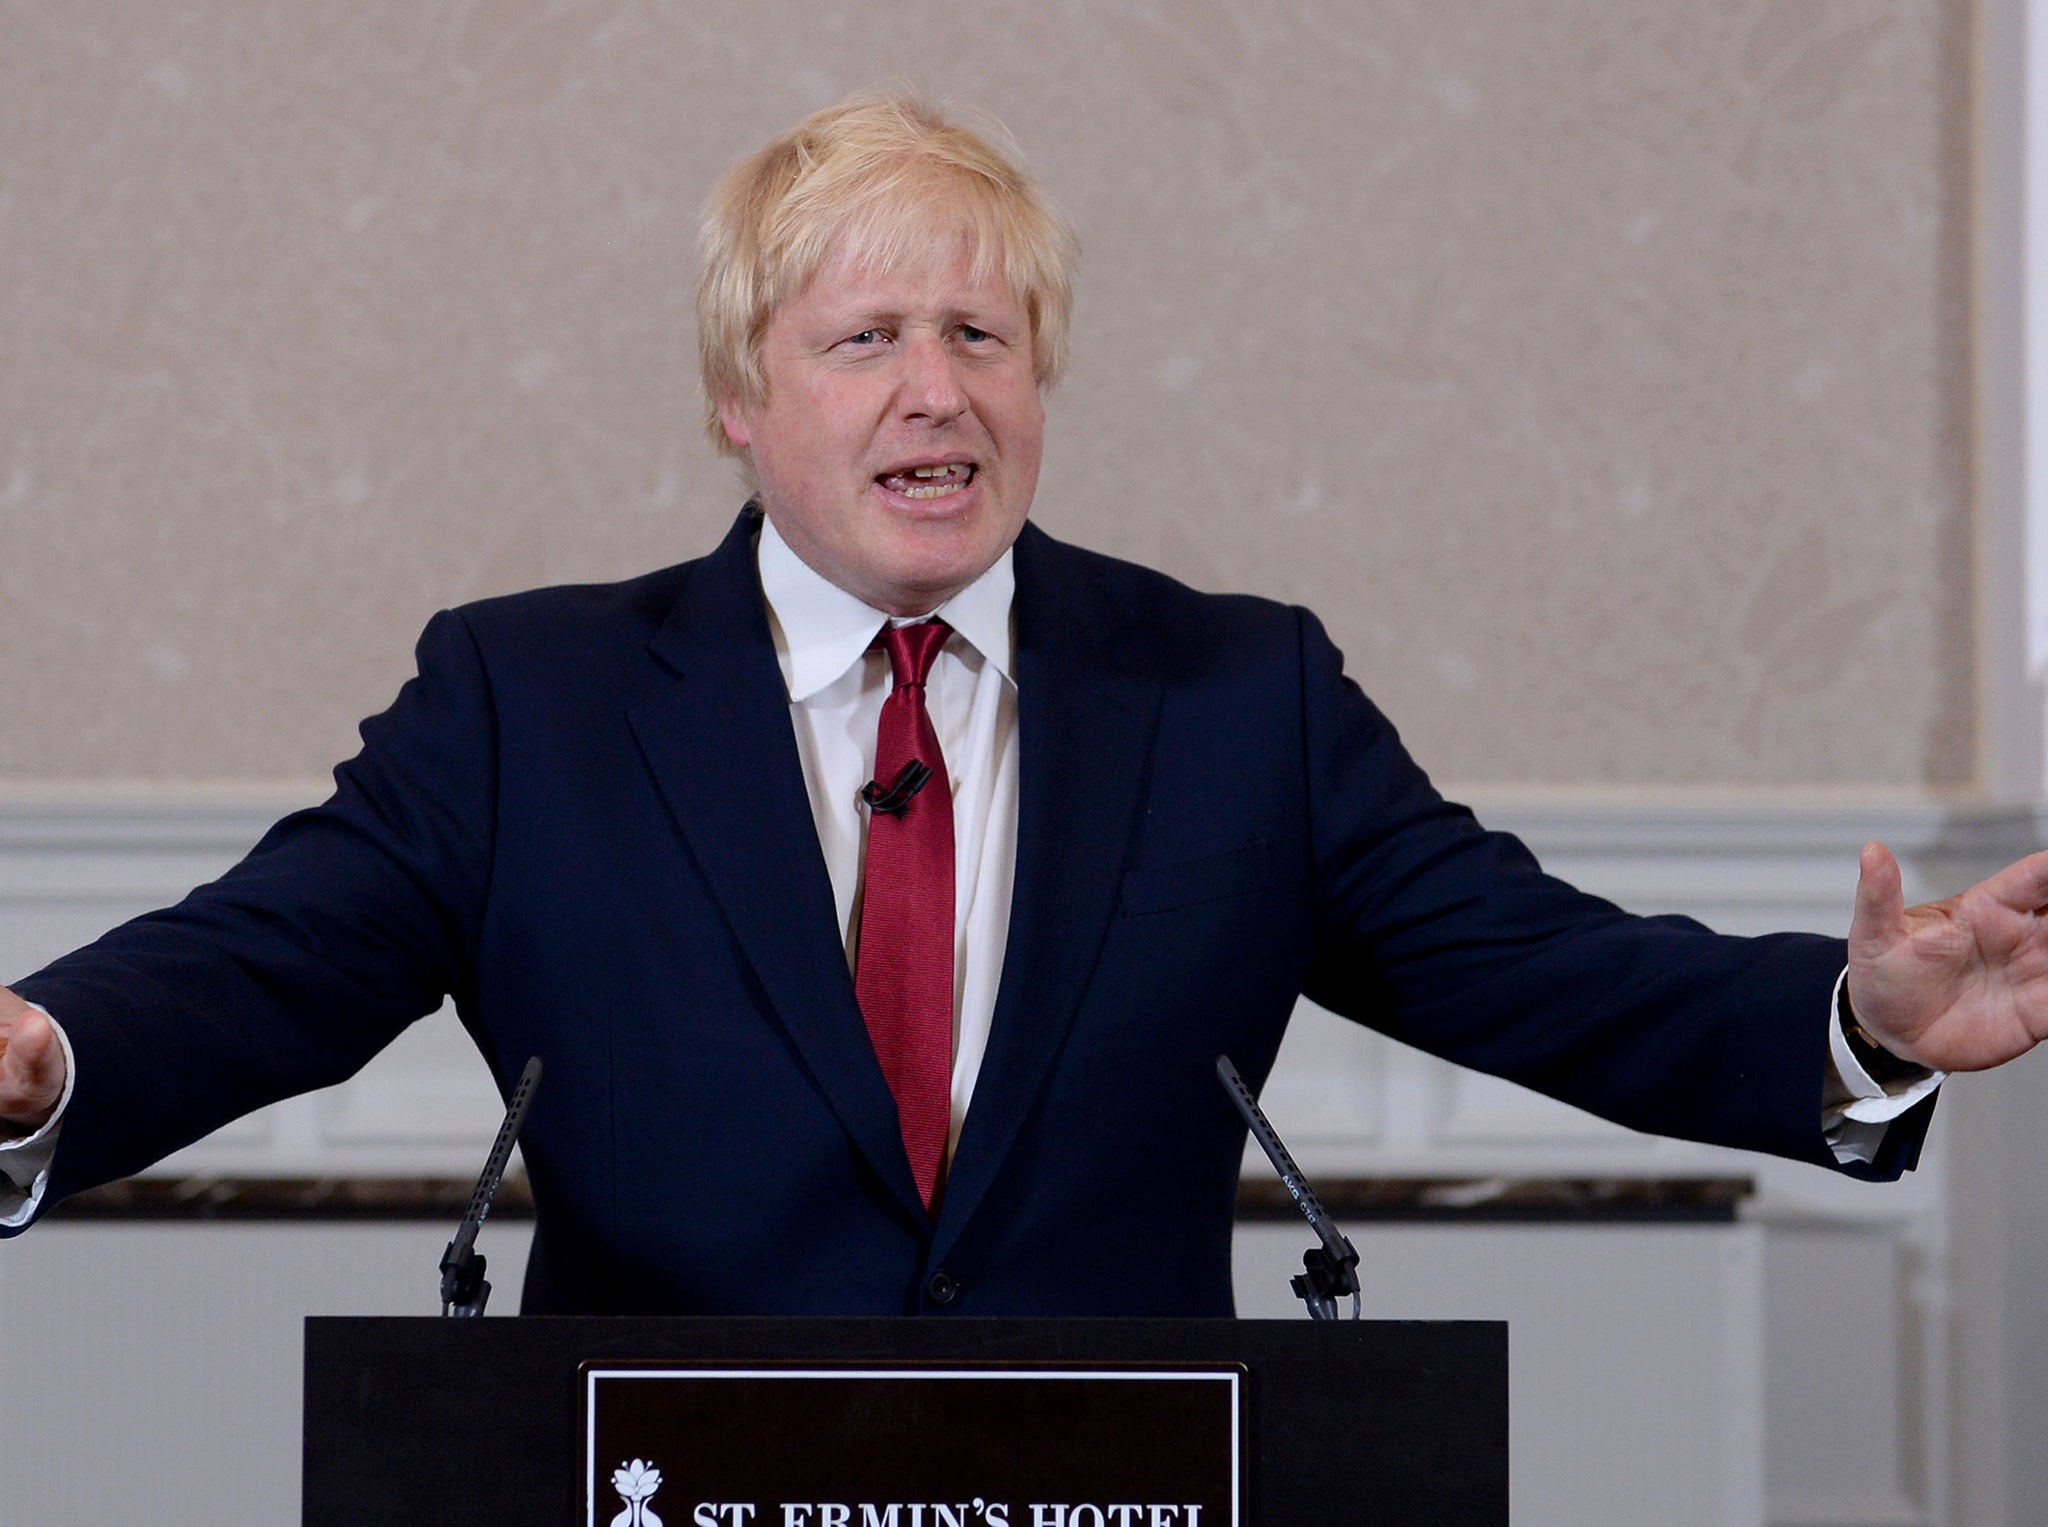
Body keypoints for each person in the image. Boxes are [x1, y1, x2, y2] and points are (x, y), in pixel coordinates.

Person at [0, 92, 2042, 1315]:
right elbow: (266, 960)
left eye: (983, 330)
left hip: (1121, 1494)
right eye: (864, 333)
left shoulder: (1233, 695)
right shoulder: (526, 700)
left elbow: (1540, 968)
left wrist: (1856, 1024)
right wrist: (42, 1051)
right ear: (741, 396)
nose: (936, 388)